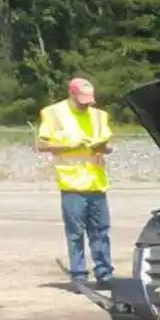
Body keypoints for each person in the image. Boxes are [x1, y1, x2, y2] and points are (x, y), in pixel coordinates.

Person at [37, 77, 114, 288]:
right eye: (82, 100)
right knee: (75, 233)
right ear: (71, 94)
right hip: (71, 184)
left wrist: (103, 148)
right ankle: (79, 275)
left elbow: (108, 146)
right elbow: (42, 144)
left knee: (101, 232)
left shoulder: (99, 116)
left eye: (89, 100)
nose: (86, 104)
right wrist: (70, 144)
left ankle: (105, 274)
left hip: (97, 183)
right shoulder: (54, 113)